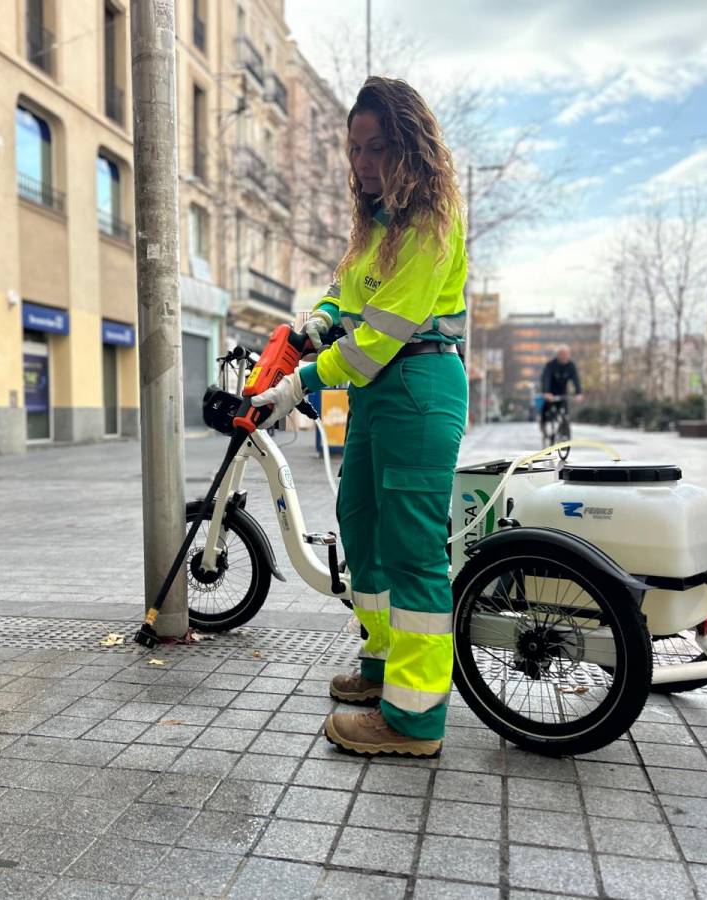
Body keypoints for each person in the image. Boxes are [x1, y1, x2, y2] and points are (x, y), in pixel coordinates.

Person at [251, 76, 468, 758]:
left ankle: (413, 719)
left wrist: (301, 383)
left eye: (377, 147)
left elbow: (374, 343)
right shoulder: (379, 224)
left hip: (417, 389)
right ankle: (380, 668)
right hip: (380, 397)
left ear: (410, 146)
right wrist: (318, 320)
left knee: (410, 553)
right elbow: (348, 297)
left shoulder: (431, 226)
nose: (364, 163)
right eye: (355, 148)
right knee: (363, 532)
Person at [539, 345, 583, 439]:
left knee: (564, 413)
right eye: (562, 354)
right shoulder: (550, 365)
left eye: (566, 354)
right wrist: (546, 392)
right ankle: (544, 428)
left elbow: (576, 379)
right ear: (558, 355)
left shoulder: (571, 365)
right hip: (550, 392)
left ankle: (563, 432)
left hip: (563, 393)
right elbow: (545, 378)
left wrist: (578, 393)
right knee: (545, 411)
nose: (564, 356)